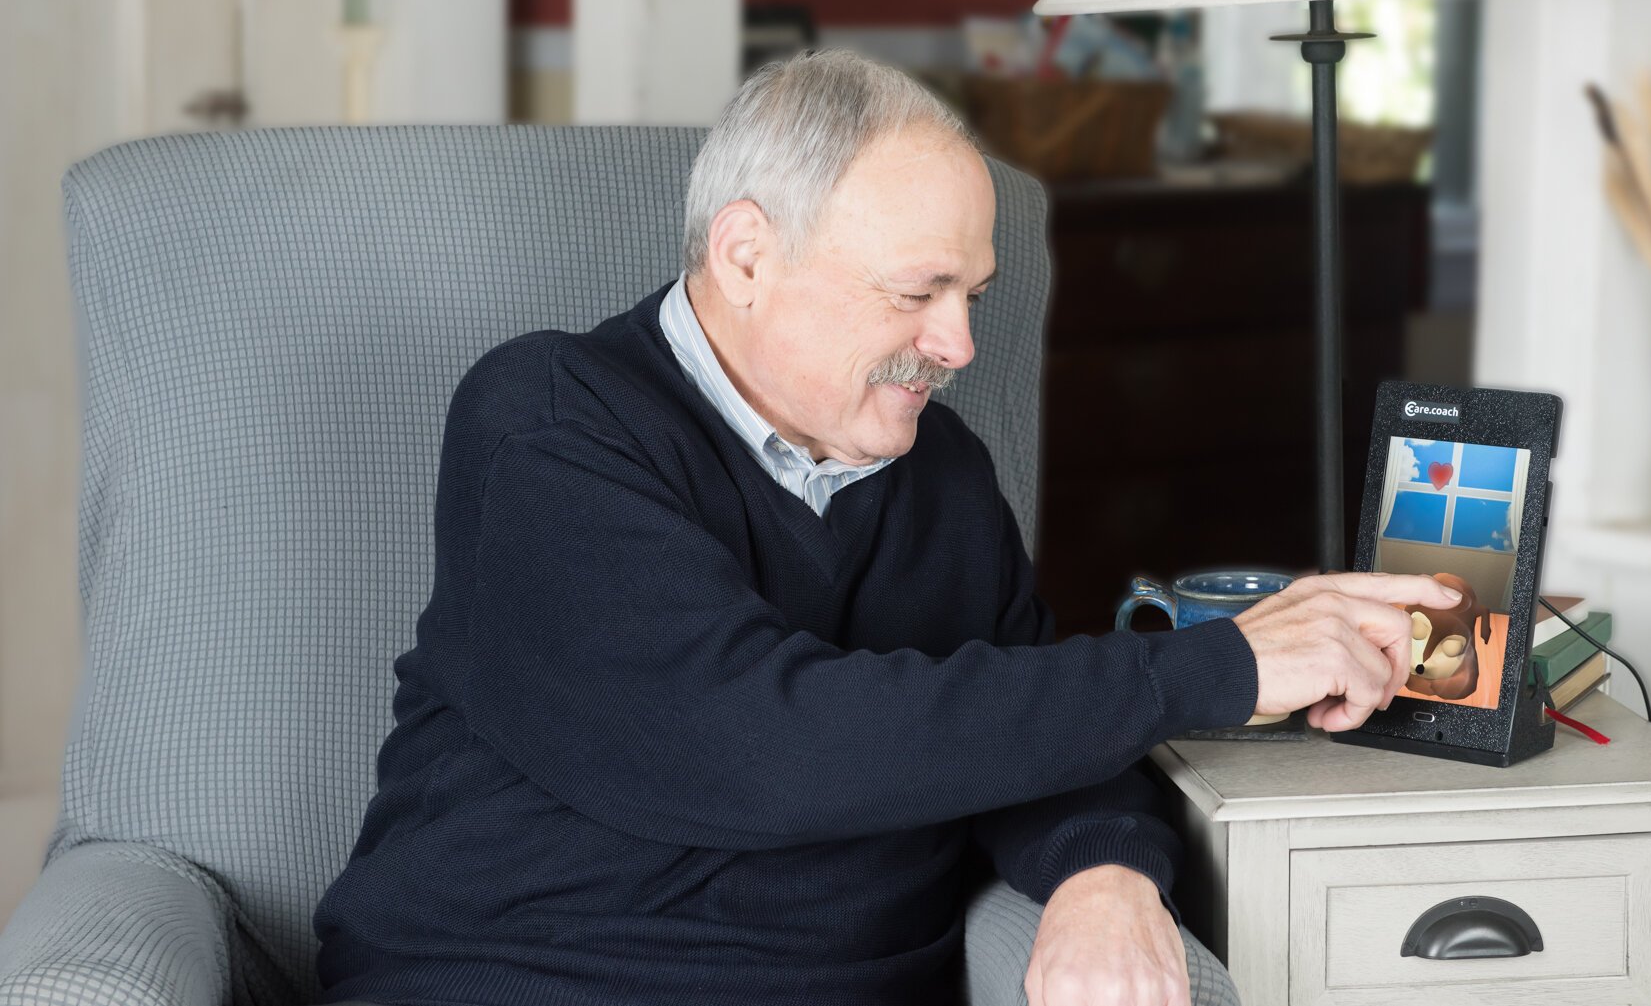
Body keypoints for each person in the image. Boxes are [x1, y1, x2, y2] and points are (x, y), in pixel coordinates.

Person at [311, 50, 1460, 1006]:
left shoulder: (940, 471)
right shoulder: (550, 423)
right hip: (520, 977)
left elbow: (1031, 719)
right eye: (918, 293)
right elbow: (756, 748)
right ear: (747, 256)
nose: (959, 346)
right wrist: (1219, 666)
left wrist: (1105, 874)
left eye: (974, 295)